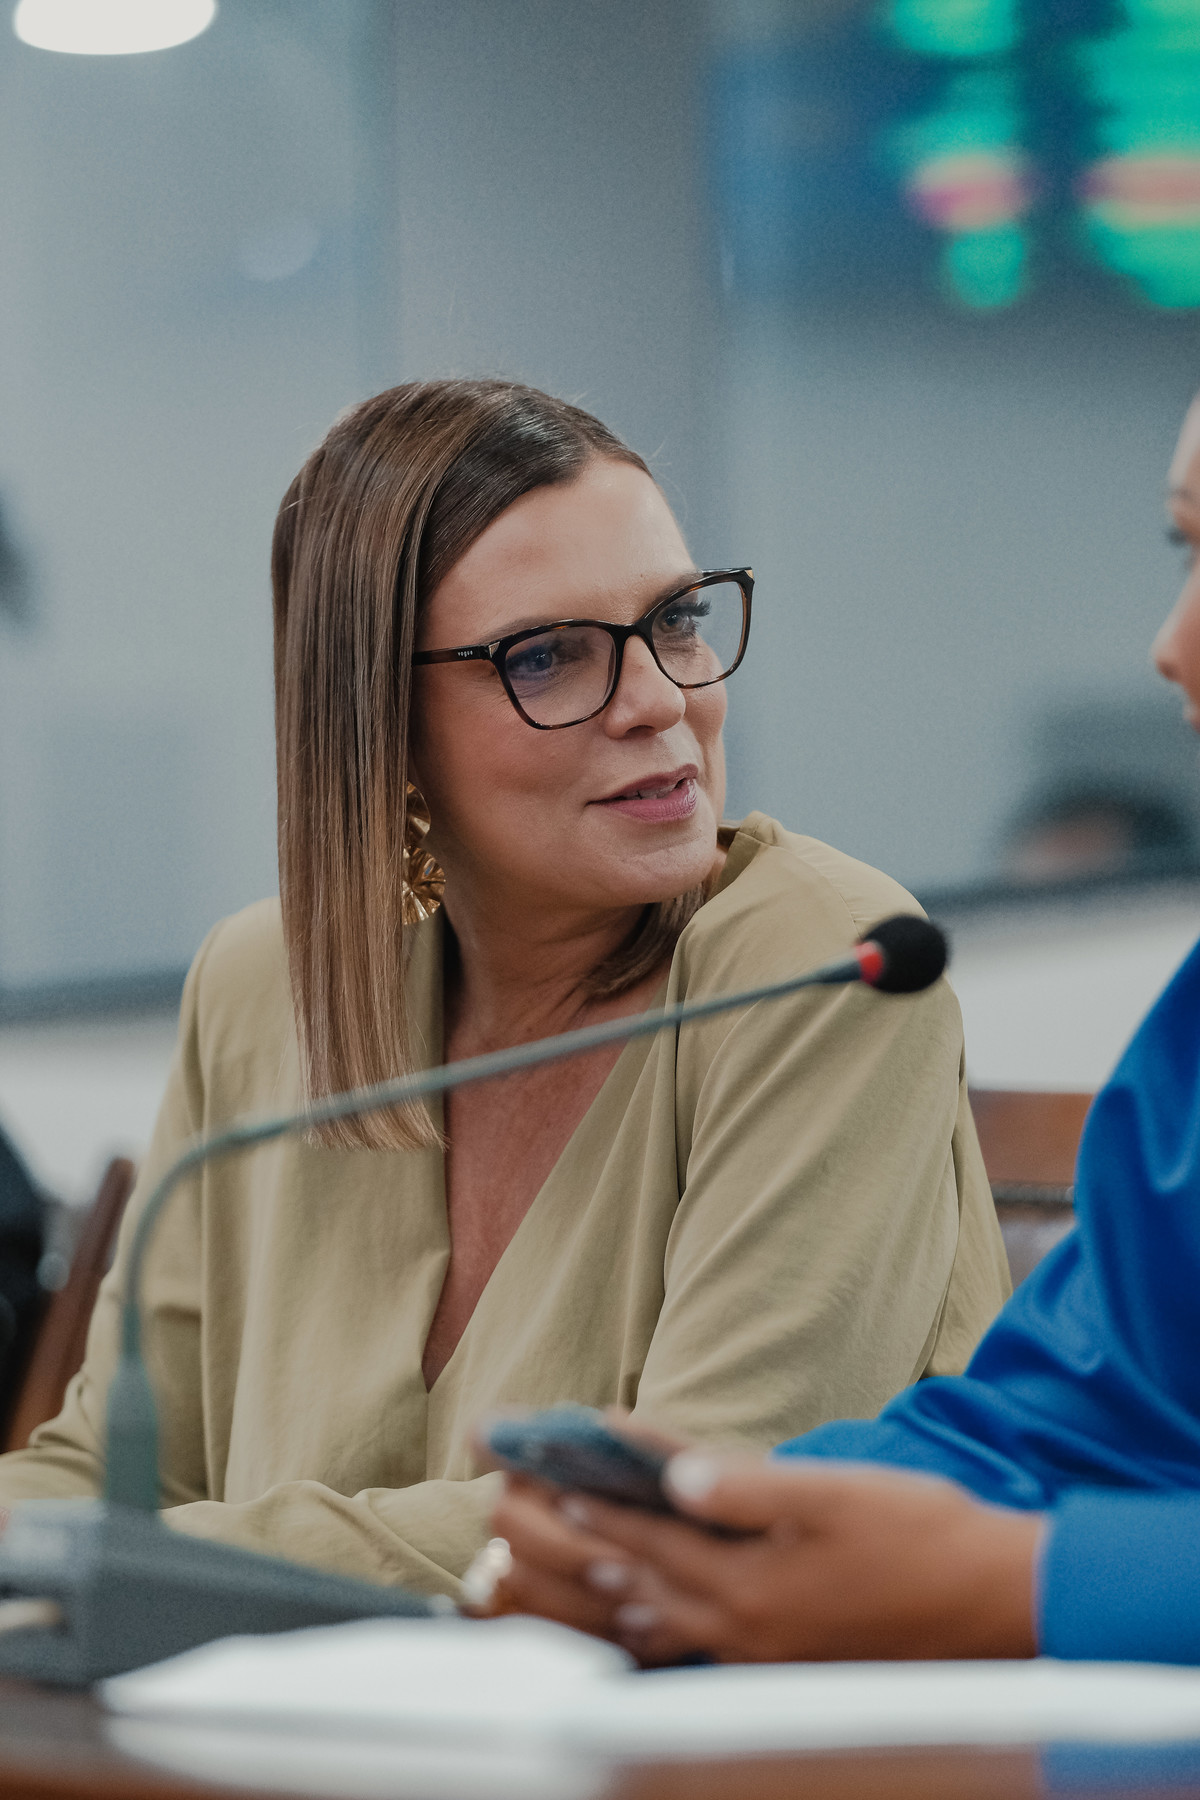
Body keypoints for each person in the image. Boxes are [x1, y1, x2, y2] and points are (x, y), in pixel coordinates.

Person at [0, 381, 1007, 1598]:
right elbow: (105, 1474)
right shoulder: (265, 987)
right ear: (382, 727)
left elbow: (697, 1506)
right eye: (546, 657)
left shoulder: (830, 965)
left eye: (677, 620)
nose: (661, 701)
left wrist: (150, 1564)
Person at [490, 388, 1200, 1660]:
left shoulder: (818, 948)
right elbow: (1074, 1423)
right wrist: (729, 1517)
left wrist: (1032, 1585)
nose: (1171, 644)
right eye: (1183, 551)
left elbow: (1036, 1534)